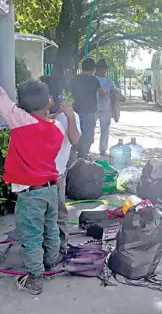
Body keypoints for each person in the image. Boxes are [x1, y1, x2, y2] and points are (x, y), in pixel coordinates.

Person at [0, 81, 73, 294]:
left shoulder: (21, 121)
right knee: (50, 229)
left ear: (21, 107)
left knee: (31, 235)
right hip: (51, 189)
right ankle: (50, 261)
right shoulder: (57, 127)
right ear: (49, 101)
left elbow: (3, 100)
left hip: (30, 192)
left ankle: (35, 278)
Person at [40, 75, 81, 254]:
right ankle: (43, 248)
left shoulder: (68, 117)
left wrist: (70, 116)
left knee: (58, 214)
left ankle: (60, 248)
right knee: (40, 215)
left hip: (56, 175)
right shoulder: (38, 115)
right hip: (35, 176)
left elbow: (75, 139)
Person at [71, 58, 105, 158]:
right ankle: (83, 155)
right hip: (89, 112)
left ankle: (75, 153)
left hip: (75, 111)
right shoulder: (93, 79)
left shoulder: (74, 79)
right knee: (88, 134)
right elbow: (102, 92)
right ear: (93, 69)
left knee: (76, 132)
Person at [95, 58, 115, 156]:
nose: (102, 70)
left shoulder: (109, 80)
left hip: (106, 107)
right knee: (90, 129)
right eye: (100, 68)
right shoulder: (93, 78)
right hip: (94, 107)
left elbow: (114, 91)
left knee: (105, 129)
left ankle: (103, 149)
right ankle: (85, 148)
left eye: (104, 68)